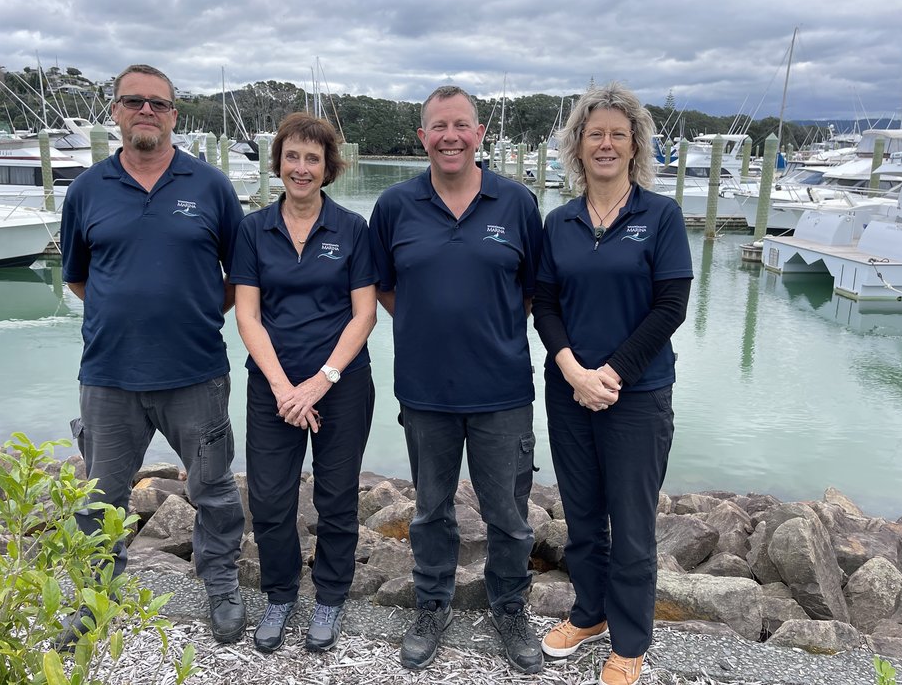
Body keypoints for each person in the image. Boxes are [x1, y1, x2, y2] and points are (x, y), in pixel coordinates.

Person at [60, 64, 247, 646]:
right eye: (133, 101)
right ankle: (95, 599)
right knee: (100, 499)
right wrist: (130, 313)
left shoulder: (211, 186)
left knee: (214, 490)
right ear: (115, 111)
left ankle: (220, 584)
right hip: (110, 376)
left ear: (174, 115)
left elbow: (238, 276)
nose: (146, 111)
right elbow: (79, 279)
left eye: (158, 104)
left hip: (196, 372)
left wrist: (185, 311)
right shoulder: (87, 189)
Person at [369, 86, 544, 674]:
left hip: (502, 391)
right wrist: (428, 323)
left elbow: (531, 290)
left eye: (461, 125)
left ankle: (510, 606)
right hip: (425, 392)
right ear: (422, 137)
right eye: (438, 126)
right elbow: (385, 288)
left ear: (480, 134)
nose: (450, 136)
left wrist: (487, 327)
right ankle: (432, 603)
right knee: (429, 511)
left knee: (510, 515)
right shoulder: (394, 206)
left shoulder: (517, 203)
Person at [533, 82, 692, 685]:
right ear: (578, 145)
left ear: (634, 146)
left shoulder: (661, 215)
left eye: (617, 135)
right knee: (581, 516)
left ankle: (629, 640)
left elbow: (670, 305)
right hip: (569, 391)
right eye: (593, 133)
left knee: (630, 524)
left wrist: (612, 372)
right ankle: (590, 613)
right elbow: (544, 303)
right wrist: (572, 368)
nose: (605, 144)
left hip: (638, 395)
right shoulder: (560, 221)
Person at [231, 113, 377, 653]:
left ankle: (331, 596)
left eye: (312, 158)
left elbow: (364, 315)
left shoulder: (352, 229)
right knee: (269, 499)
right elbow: (247, 316)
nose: (301, 167)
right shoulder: (252, 229)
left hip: (341, 385)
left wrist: (319, 382)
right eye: (292, 156)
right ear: (278, 163)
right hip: (272, 387)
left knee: (338, 498)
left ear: (328, 166)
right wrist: (283, 388)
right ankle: (279, 594)